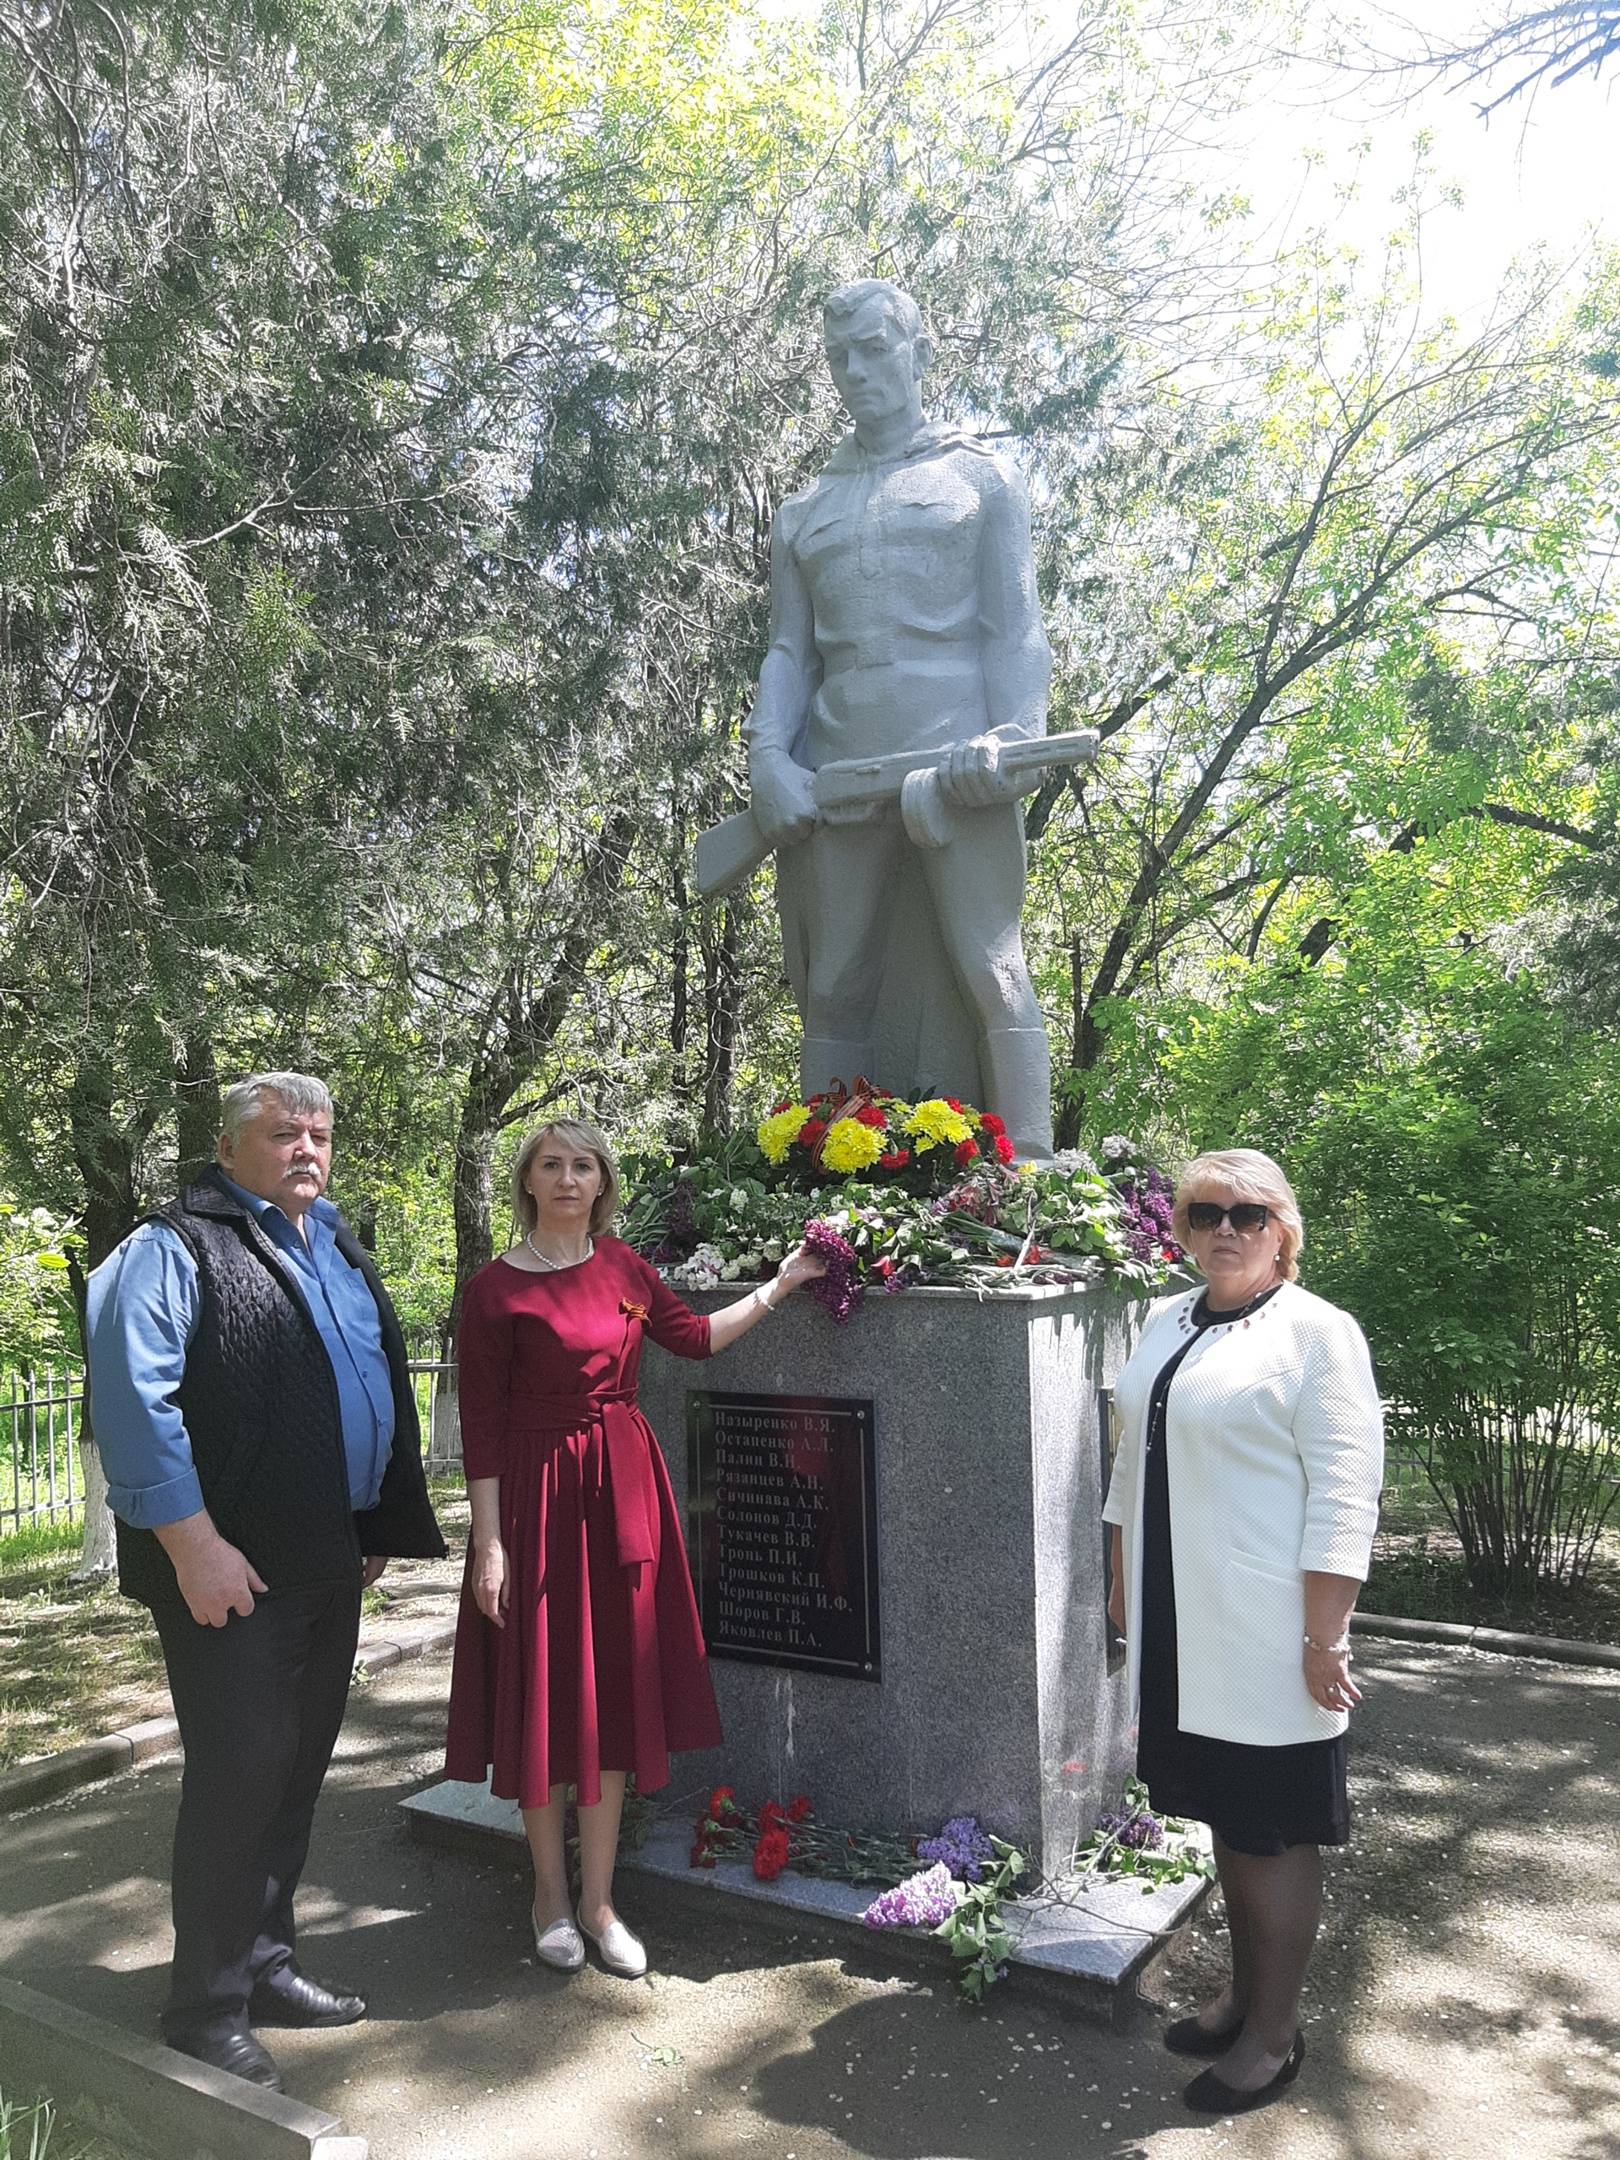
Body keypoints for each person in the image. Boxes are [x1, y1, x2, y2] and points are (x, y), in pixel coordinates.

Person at [86, 1072, 445, 2091]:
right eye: (285, 1133)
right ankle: (204, 2008)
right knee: (239, 1780)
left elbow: (360, 1386)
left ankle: (265, 1966)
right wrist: (192, 1547)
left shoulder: (333, 1243)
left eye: (319, 1134)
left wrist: (370, 1519)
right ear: (229, 1147)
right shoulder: (170, 1246)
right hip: (226, 1569)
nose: (307, 1150)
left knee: (293, 1774)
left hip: (324, 1559)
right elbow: (134, 1403)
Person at [443, 1117, 824, 1979]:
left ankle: (600, 1903)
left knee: (609, 1694)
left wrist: (782, 1284)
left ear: (602, 1183)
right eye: (551, 1164)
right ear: (528, 1181)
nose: (567, 1179)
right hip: (537, 1498)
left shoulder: (625, 1268)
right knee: (546, 1695)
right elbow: (482, 1426)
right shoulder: (494, 1289)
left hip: (621, 1493)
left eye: (583, 1165)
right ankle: (548, 1896)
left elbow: (695, 1339)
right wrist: (489, 1543)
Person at [744, 277, 1057, 1157]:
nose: (855, 371)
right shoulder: (804, 510)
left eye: (874, 349)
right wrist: (769, 758)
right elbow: (789, 654)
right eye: (838, 356)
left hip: (962, 772)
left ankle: (1036, 1179)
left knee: (992, 966)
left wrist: (1015, 738)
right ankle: (823, 1180)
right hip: (838, 776)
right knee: (835, 983)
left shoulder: (982, 477)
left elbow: (1016, 631)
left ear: (918, 353)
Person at [1102, 1148, 1383, 2115]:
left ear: (1282, 1231)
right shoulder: (1166, 1318)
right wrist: (1119, 1583)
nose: (1225, 1229)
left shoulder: (1317, 1334)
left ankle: (1274, 2036)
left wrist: (1325, 1636)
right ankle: (1242, 1998)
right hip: (1184, 1622)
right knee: (1227, 1818)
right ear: (1182, 1228)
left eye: (1248, 1214)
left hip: (1268, 1631)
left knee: (1271, 1831)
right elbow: (1129, 1464)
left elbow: (1345, 1496)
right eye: (1205, 1212)